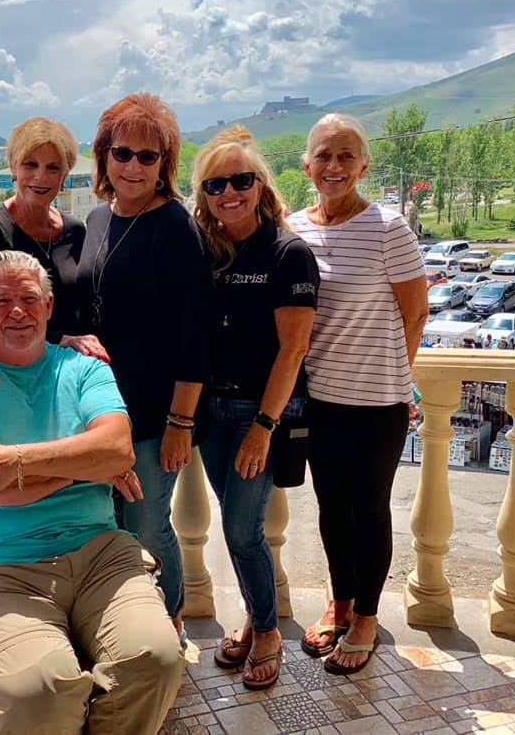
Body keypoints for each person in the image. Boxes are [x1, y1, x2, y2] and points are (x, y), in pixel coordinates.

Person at [0, 250, 184, 734]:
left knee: (156, 658)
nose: (17, 311)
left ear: (49, 305)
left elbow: (117, 449)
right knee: (36, 691)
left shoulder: (85, 367)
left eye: (28, 298)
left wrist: (15, 460)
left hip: (98, 551)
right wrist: (87, 468)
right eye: (2, 301)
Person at [287, 113, 428, 674]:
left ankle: (366, 616)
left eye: (346, 155)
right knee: (330, 508)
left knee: (369, 509)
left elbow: (416, 313)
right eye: (324, 155)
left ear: (364, 166)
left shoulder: (388, 228)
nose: (334, 166)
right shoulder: (294, 229)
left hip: (376, 404)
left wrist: (394, 377)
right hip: (318, 399)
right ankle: (340, 601)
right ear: (307, 165)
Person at [75, 92, 212, 636]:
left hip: (154, 418)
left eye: (147, 156)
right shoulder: (96, 219)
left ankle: (170, 621)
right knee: (108, 524)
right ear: (104, 156)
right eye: (122, 153)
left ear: (164, 164)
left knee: (149, 525)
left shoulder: (176, 227)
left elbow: (196, 335)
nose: (132, 166)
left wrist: (181, 422)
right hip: (97, 412)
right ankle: (123, 623)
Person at [191, 126, 319, 689]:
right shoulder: (208, 250)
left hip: (258, 413)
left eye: (241, 181)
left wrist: (264, 427)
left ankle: (267, 630)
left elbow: (294, 349)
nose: (229, 193)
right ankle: (254, 615)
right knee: (233, 521)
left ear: (260, 187)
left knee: (243, 530)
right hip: (211, 411)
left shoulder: (288, 253)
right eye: (215, 184)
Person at [0, 117, 104, 358]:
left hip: (74, 363)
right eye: (30, 165)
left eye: (53, 168)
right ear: (13, 168)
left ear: (64, 176)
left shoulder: (75, 231)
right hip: (16, 363)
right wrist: (62, 339)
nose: (41, 176)